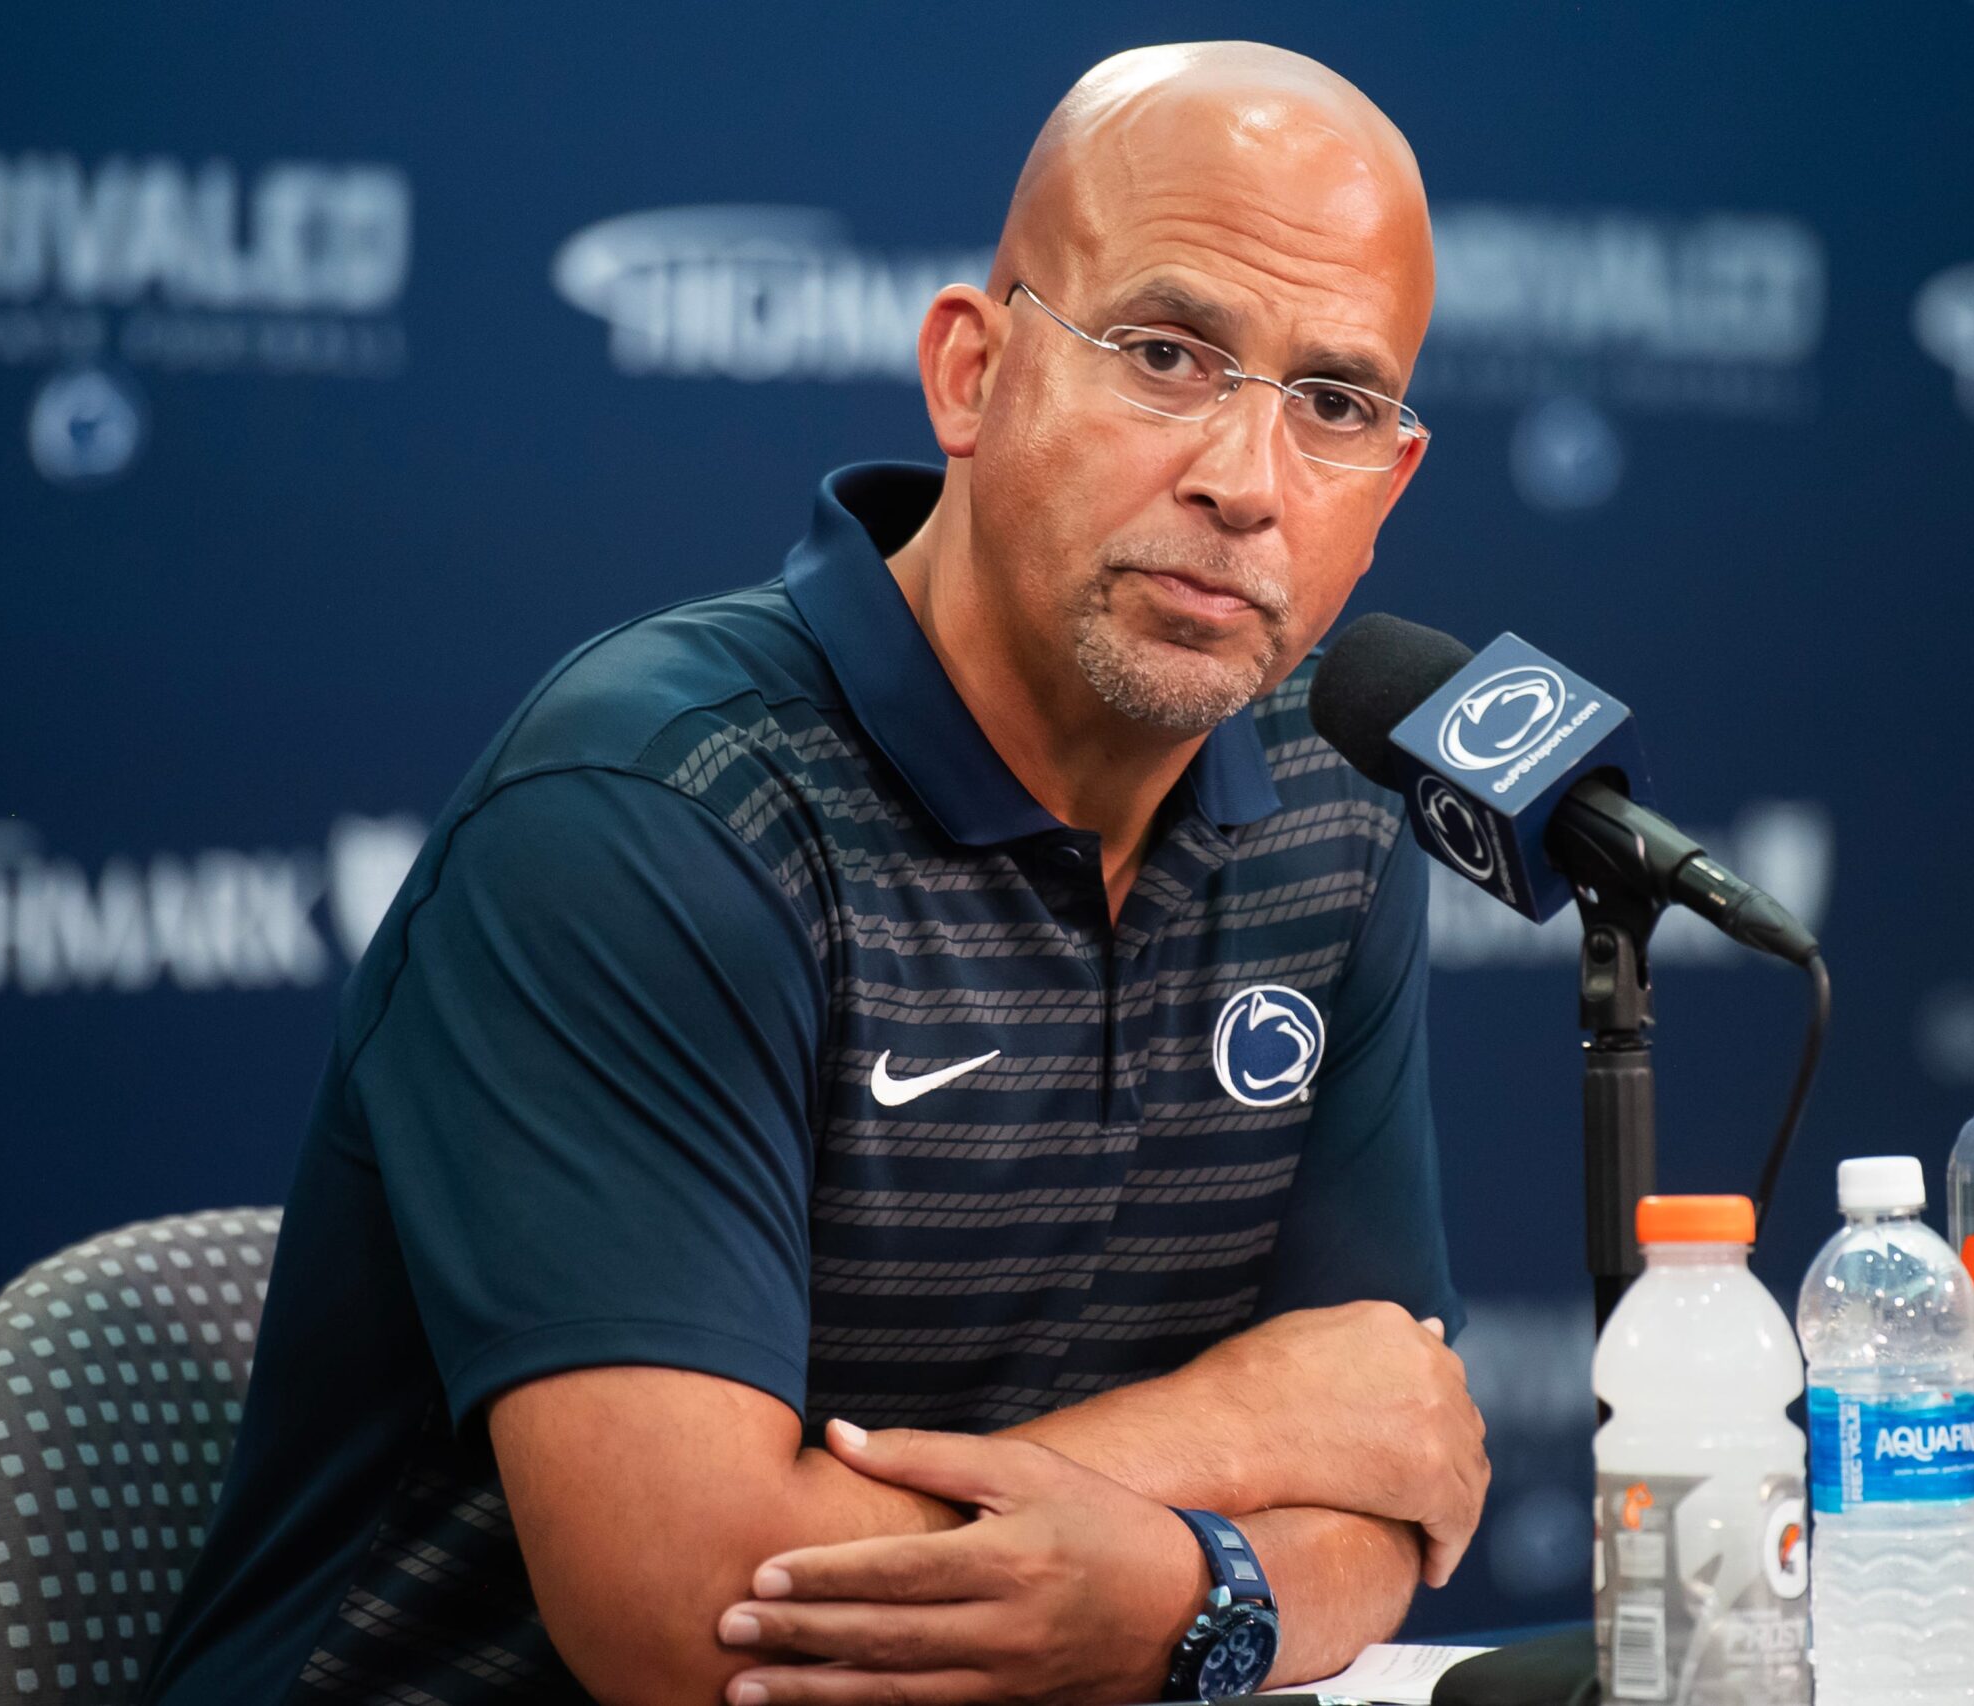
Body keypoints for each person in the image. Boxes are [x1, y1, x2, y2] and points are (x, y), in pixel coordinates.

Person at [143, 39, 1484, 1706]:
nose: (1245, 480)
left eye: (1335, 404)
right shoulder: (650, 810)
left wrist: (1186, 1586)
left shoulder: (1331, 808)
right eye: (1165, 352)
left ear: (1392, 480)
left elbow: (1397, 1484)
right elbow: (692, 1617)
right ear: (970, 374)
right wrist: (1238, 1441)